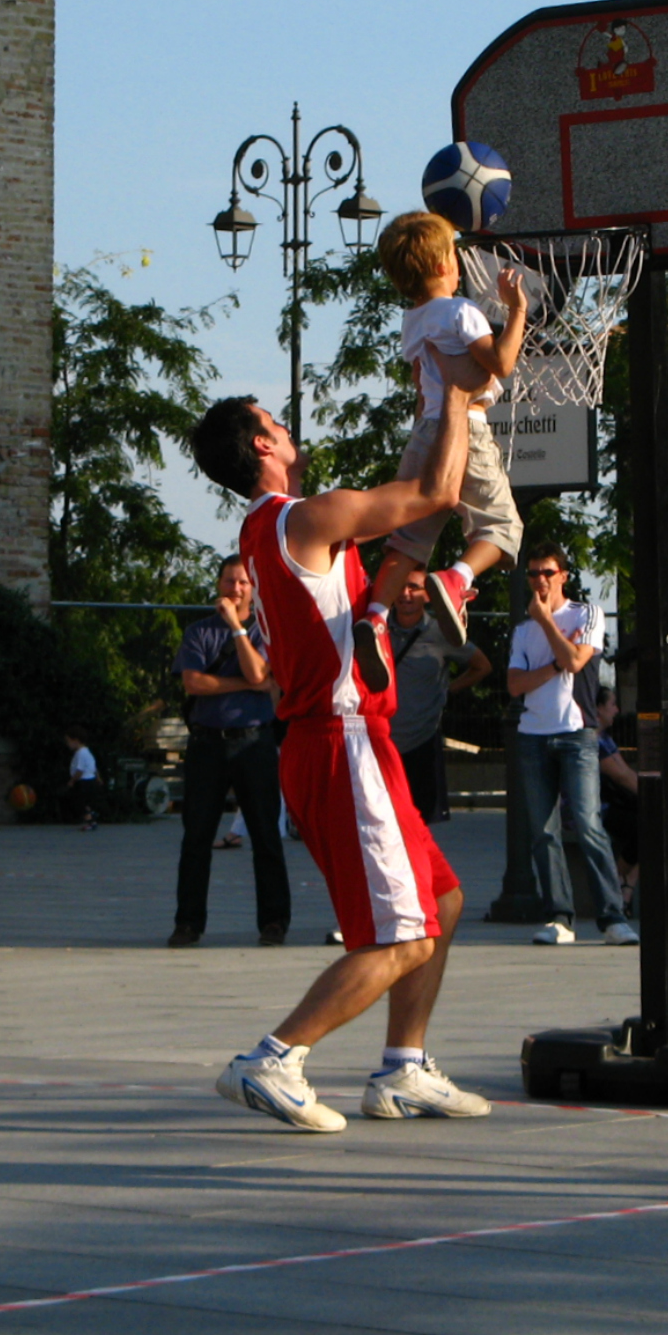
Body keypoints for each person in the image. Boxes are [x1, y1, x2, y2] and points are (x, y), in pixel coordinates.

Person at [189, 369, 490, 1129]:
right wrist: (455, 395)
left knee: (443, 901)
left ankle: (403, 1067)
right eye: (276, 422)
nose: (288, 428)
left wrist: (393, 602)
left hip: (349, 740)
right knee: (403, 936)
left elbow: (340, 614)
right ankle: (274, 1056)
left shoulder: (267, 533)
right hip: (341, 742)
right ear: (263, 444)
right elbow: (436, 493)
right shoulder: (303, 517)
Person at [351, 211, 526, 690]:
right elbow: (502, 363)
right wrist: (516, 311)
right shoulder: (460, 311)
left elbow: (418, 385)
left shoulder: (413, 321)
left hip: (425, 430)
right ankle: (455, 579)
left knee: (407, 541)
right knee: (503, 528)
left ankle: (375, 615)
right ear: (445, 263)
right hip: (463, 427)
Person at [508, 542, 638, 947]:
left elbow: (579, 661)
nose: (540, 581)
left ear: (563, 575)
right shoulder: (522, 629)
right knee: (542, 830)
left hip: (576, 731)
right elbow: (515, 684)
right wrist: (554, 661)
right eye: (533, 574)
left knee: (587, 822)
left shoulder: (586, 614)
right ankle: (559, 915)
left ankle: (612, 916)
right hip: (533, 734)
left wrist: (547, 622)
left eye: (548, 572)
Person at [167, 555, 290, 949]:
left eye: (241, 583)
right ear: (218, 584)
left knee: (265, 835)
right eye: (228, 582)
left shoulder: (268, 632)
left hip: (254, 742)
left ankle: (273, 922)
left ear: (253, 589)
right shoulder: (199, 632)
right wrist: (245, 683)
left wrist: (237, 628)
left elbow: (261, 676)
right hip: (207, 743)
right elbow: (193, 683)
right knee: (196, 837)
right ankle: (188, 923)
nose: (233, 590)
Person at [389, 564, 492, 824]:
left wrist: (448, 689)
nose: (405, 593)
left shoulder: (441, 632)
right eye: (400, 586)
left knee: (420, 824)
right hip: (381, 741)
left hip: (422, 740)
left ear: (427, 594)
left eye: (413, 587)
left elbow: (482, 666)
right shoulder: (376, 629)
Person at [596, 685, 639, 916]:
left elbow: (626, 771)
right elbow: (620, 777)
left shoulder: (606, 738)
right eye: (612, 704)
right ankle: (617, 881)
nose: (617, 709)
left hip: (614, 803)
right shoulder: (591, 739)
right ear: (598, 708)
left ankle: (628, 881)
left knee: (656, 819)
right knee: (648, 824)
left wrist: (652, 794)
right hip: (597, 808)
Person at [63, 726, 101, 831]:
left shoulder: (80, 753)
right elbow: (94, 767)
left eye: (68, 741)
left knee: (81, 803)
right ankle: (92, 819)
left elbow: (80, 770)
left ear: (76, 740)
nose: (67, 744)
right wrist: (98, 778)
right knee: (86, 803)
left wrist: (72, 781)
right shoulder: (87, 752)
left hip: (83, 782)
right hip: (91, 780)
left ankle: (90, 819)